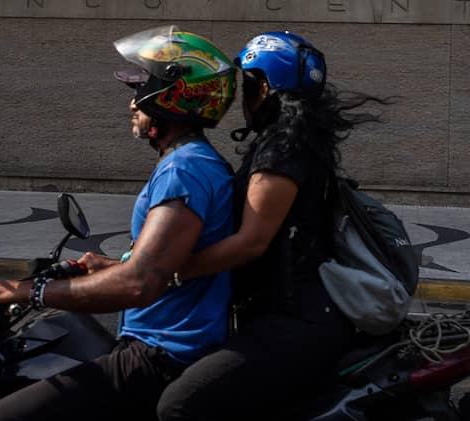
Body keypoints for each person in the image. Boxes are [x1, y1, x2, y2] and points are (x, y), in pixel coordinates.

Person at [0, 26, 237, 420]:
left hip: (159, 354)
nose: (131, 105)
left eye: (139, 92)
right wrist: (113, 265)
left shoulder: (185, 170)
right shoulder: (196, 163)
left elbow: (139, 284)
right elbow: (167, 265)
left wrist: (28, 292)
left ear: (170, 95)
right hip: (163, 346)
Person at [157, 31, 389, 421]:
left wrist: (168, 273)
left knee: (179, 406)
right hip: (290, 312)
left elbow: (250, 243)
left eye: (248, 84)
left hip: (295, 319)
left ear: (266, 87)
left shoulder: (282, 149)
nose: (242, 98)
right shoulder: (294, 142)